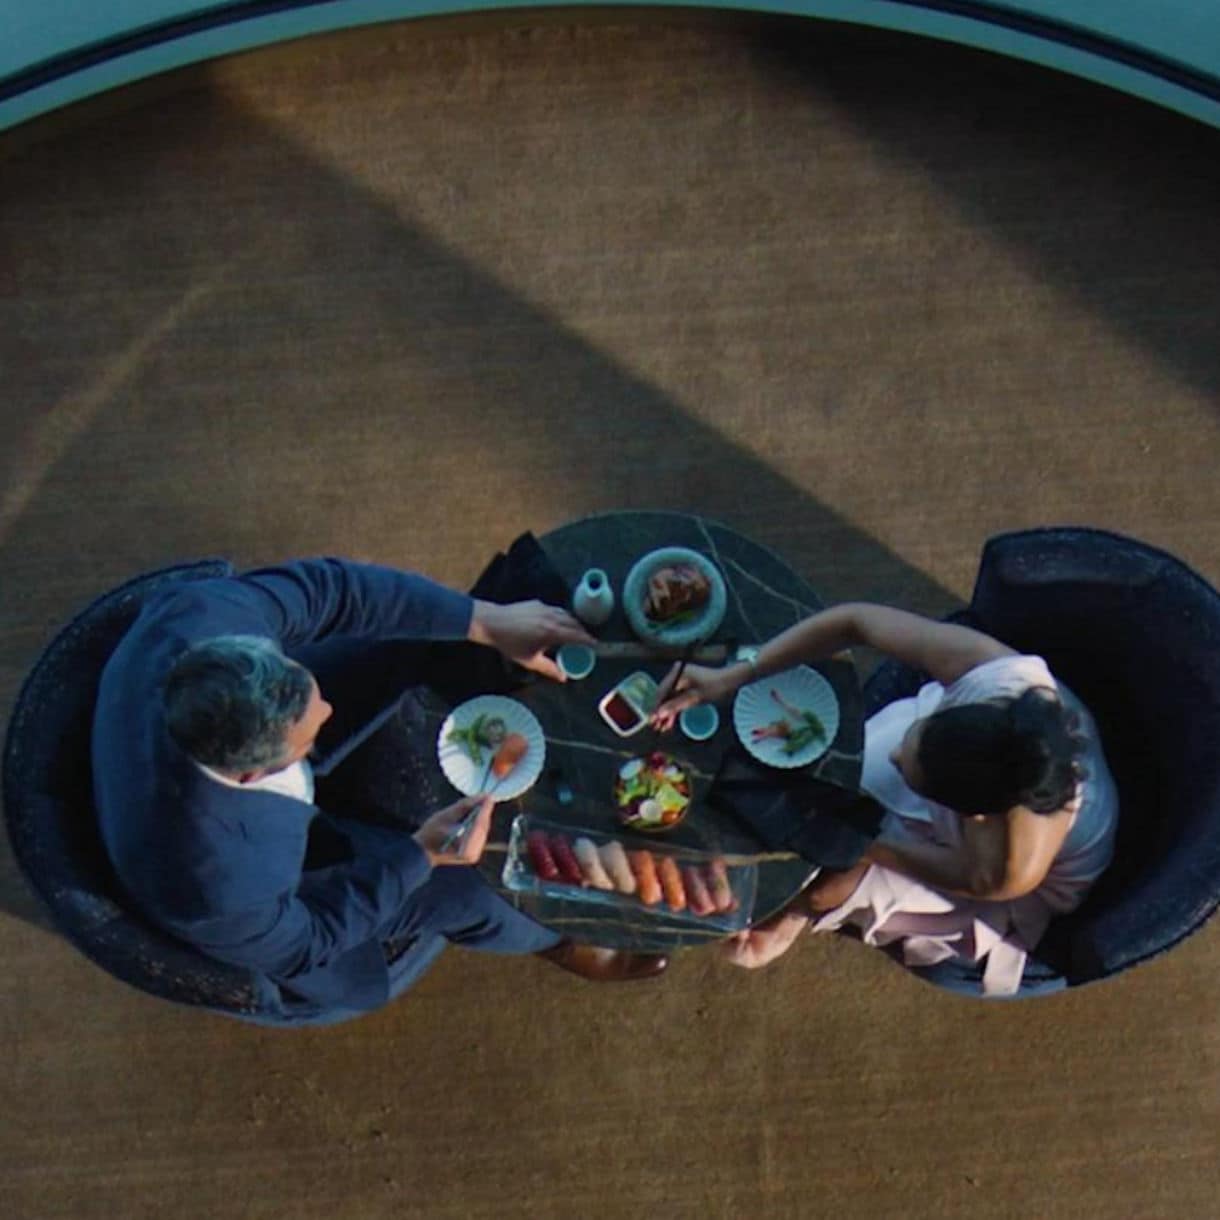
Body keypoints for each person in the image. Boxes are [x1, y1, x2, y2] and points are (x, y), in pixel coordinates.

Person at [93, 557, 668, 1024]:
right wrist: (420, 855)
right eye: (311, 729)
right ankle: (547, 935)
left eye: (313, 692)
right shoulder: (216, 883)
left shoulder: (203, 616)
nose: (330, 709)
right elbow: (306, 939)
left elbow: (337, 590)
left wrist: (482, 620)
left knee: (409, 637)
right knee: (477, 894)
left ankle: (502, 653)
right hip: (279, 873)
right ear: (251, 777)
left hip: (219, 756)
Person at [652, 603, 1118, 995]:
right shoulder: (995, 676)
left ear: (970, 816)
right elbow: (855, 622)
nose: (897, 754)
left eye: (908, 768)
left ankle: (798, 915)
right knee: (815, 779)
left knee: (830, 878)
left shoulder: (1008, 868)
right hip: (975, 785)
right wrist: (734, 676)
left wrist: (845, 838)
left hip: (1000, 882)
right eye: (913, 741)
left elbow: (883, 852)